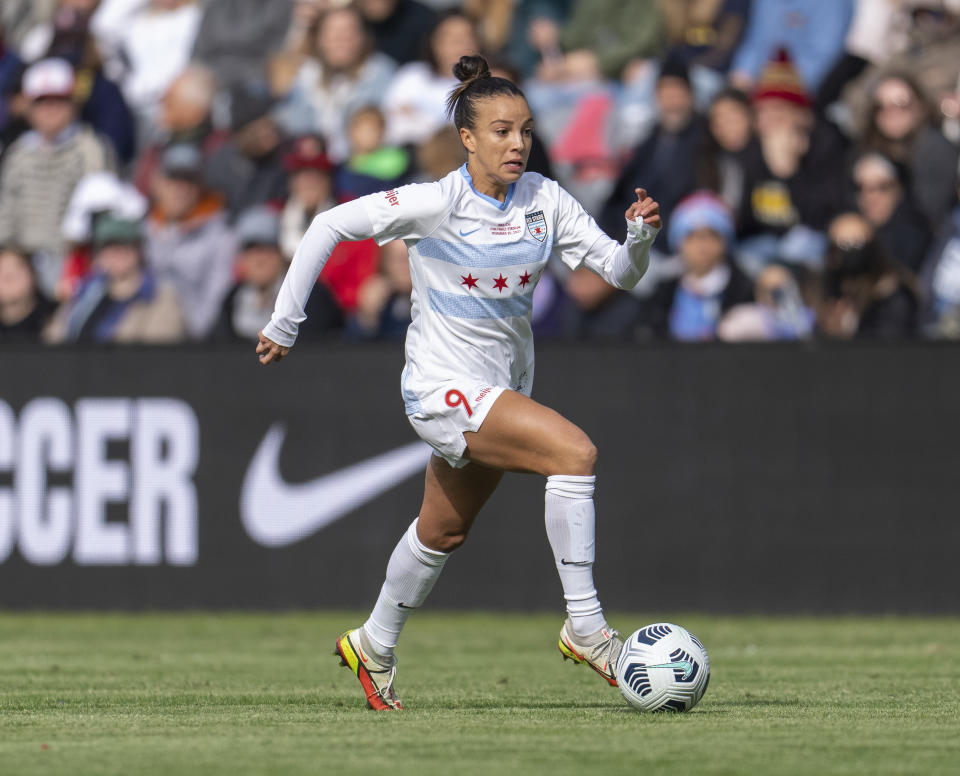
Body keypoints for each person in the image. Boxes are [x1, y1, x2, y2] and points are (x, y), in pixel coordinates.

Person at [255, 54, 661, 710]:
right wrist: (285, 322)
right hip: (441, 390)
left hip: (502, 390)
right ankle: (586, 627)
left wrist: (638, 240)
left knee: (442, 532)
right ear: (467, 139)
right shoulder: (433, 203)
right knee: (575, 454)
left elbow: (617, 272)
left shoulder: (545, 199)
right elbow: (329, 224)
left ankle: (374, 642)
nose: (517, 143)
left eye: (525, 130)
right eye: (501, 131)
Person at [45, 213, 186, 343]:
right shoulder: (86, 292)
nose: (117, 252)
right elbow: (55, 336)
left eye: (125, 245)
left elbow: (159, 353)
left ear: (139, 250)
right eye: (109, 246)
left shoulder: (160, 296)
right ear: (99, 253)